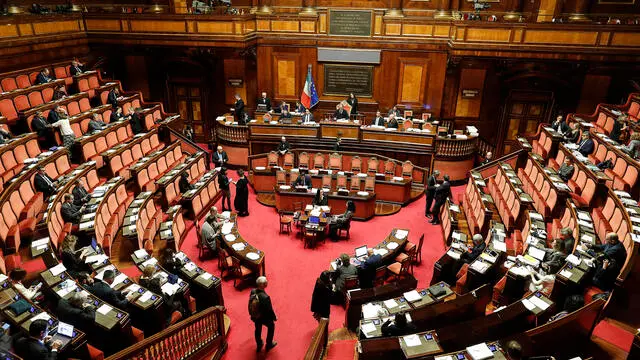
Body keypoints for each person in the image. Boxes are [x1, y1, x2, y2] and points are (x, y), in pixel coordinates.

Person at [249, 276, 277, 352]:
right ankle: (269, 344)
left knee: (257, 329)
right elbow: (269, 310)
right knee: (271, 326)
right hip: (264, 317)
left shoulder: (253, 291)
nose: (267, 282)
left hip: (256, 316)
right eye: (266, 282)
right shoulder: (265, 297)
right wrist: (274, 317)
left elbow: (250, 302)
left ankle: (259, 344)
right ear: (263, 285)